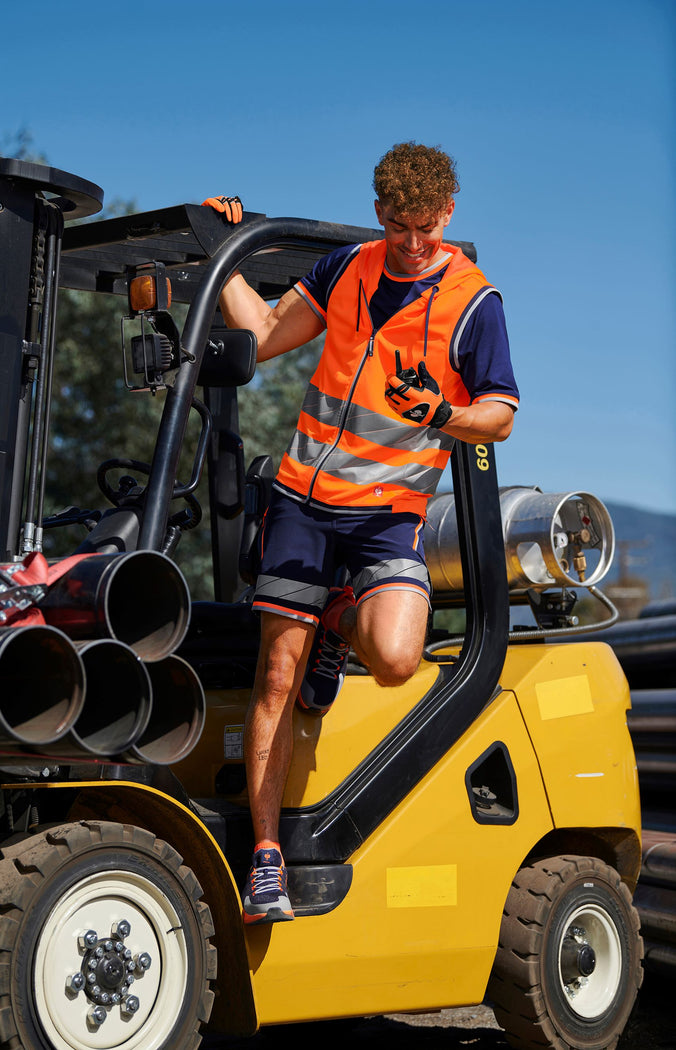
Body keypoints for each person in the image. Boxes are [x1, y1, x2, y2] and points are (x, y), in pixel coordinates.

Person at [203, 142, 519, 925]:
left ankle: (338, 623)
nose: (414, 241)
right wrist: (220, 260)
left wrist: (443, 413)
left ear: (448, 214)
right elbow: (269, 331)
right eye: (400, 224)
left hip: (387, 516)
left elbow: (501, 415)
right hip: (305, 503)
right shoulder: (348, 269)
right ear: (380, 214)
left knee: (397, 657)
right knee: (277, 678)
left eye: (427, 225)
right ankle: (268, 860)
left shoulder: (475, 303)